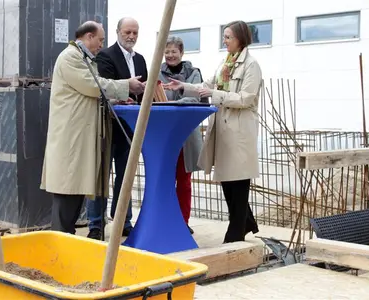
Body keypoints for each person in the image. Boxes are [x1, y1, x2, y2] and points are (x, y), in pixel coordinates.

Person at [40, 21, 145, 234]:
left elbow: (90, 93)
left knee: (74, 190)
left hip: (79, 136)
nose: (101, 44)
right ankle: (61, 242)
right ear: (88, 36)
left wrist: (114, 101)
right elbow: (93, 85)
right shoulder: (70, 57)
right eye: (100, 39)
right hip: (72, 137)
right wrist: (126, 85)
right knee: (67, 192)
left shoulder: (83, 58)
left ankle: (66, 240)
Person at [163, 20, 261, 243]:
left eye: (228, 37)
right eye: (224, 36)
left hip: (239, 131)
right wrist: (183, 87)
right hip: (224, 130)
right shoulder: (226, 63)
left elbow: (246, 99)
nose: (224, 41)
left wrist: (214, 95)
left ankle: (236, 232)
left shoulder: (251, 65)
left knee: (238, 181)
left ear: (240, 39)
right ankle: (245, 221)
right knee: (227, 179)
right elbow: (207, 84)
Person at [86, 17, 148, 240]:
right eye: (127, 32)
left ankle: (123, 220)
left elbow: (145, 90)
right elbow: (104, 86)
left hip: (131, 127)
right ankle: (95, 224)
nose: (131, 36)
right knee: (101, 176)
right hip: (109, 124)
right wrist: (127, 90)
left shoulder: (140, 59)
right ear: (118, 32)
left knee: (126, 175)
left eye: (135, 32)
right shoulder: (106, 55)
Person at [158, 36, 207, 235]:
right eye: (167, 52)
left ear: (182, 53)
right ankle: (166, 219)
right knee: (165, 180)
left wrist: (176, 101)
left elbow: (197, 97)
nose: (170, 55)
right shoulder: (157, 73)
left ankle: (183, 221)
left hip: (186, 135)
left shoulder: (193, 73)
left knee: (184, 181)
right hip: (165, 134)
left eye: (173, 51)